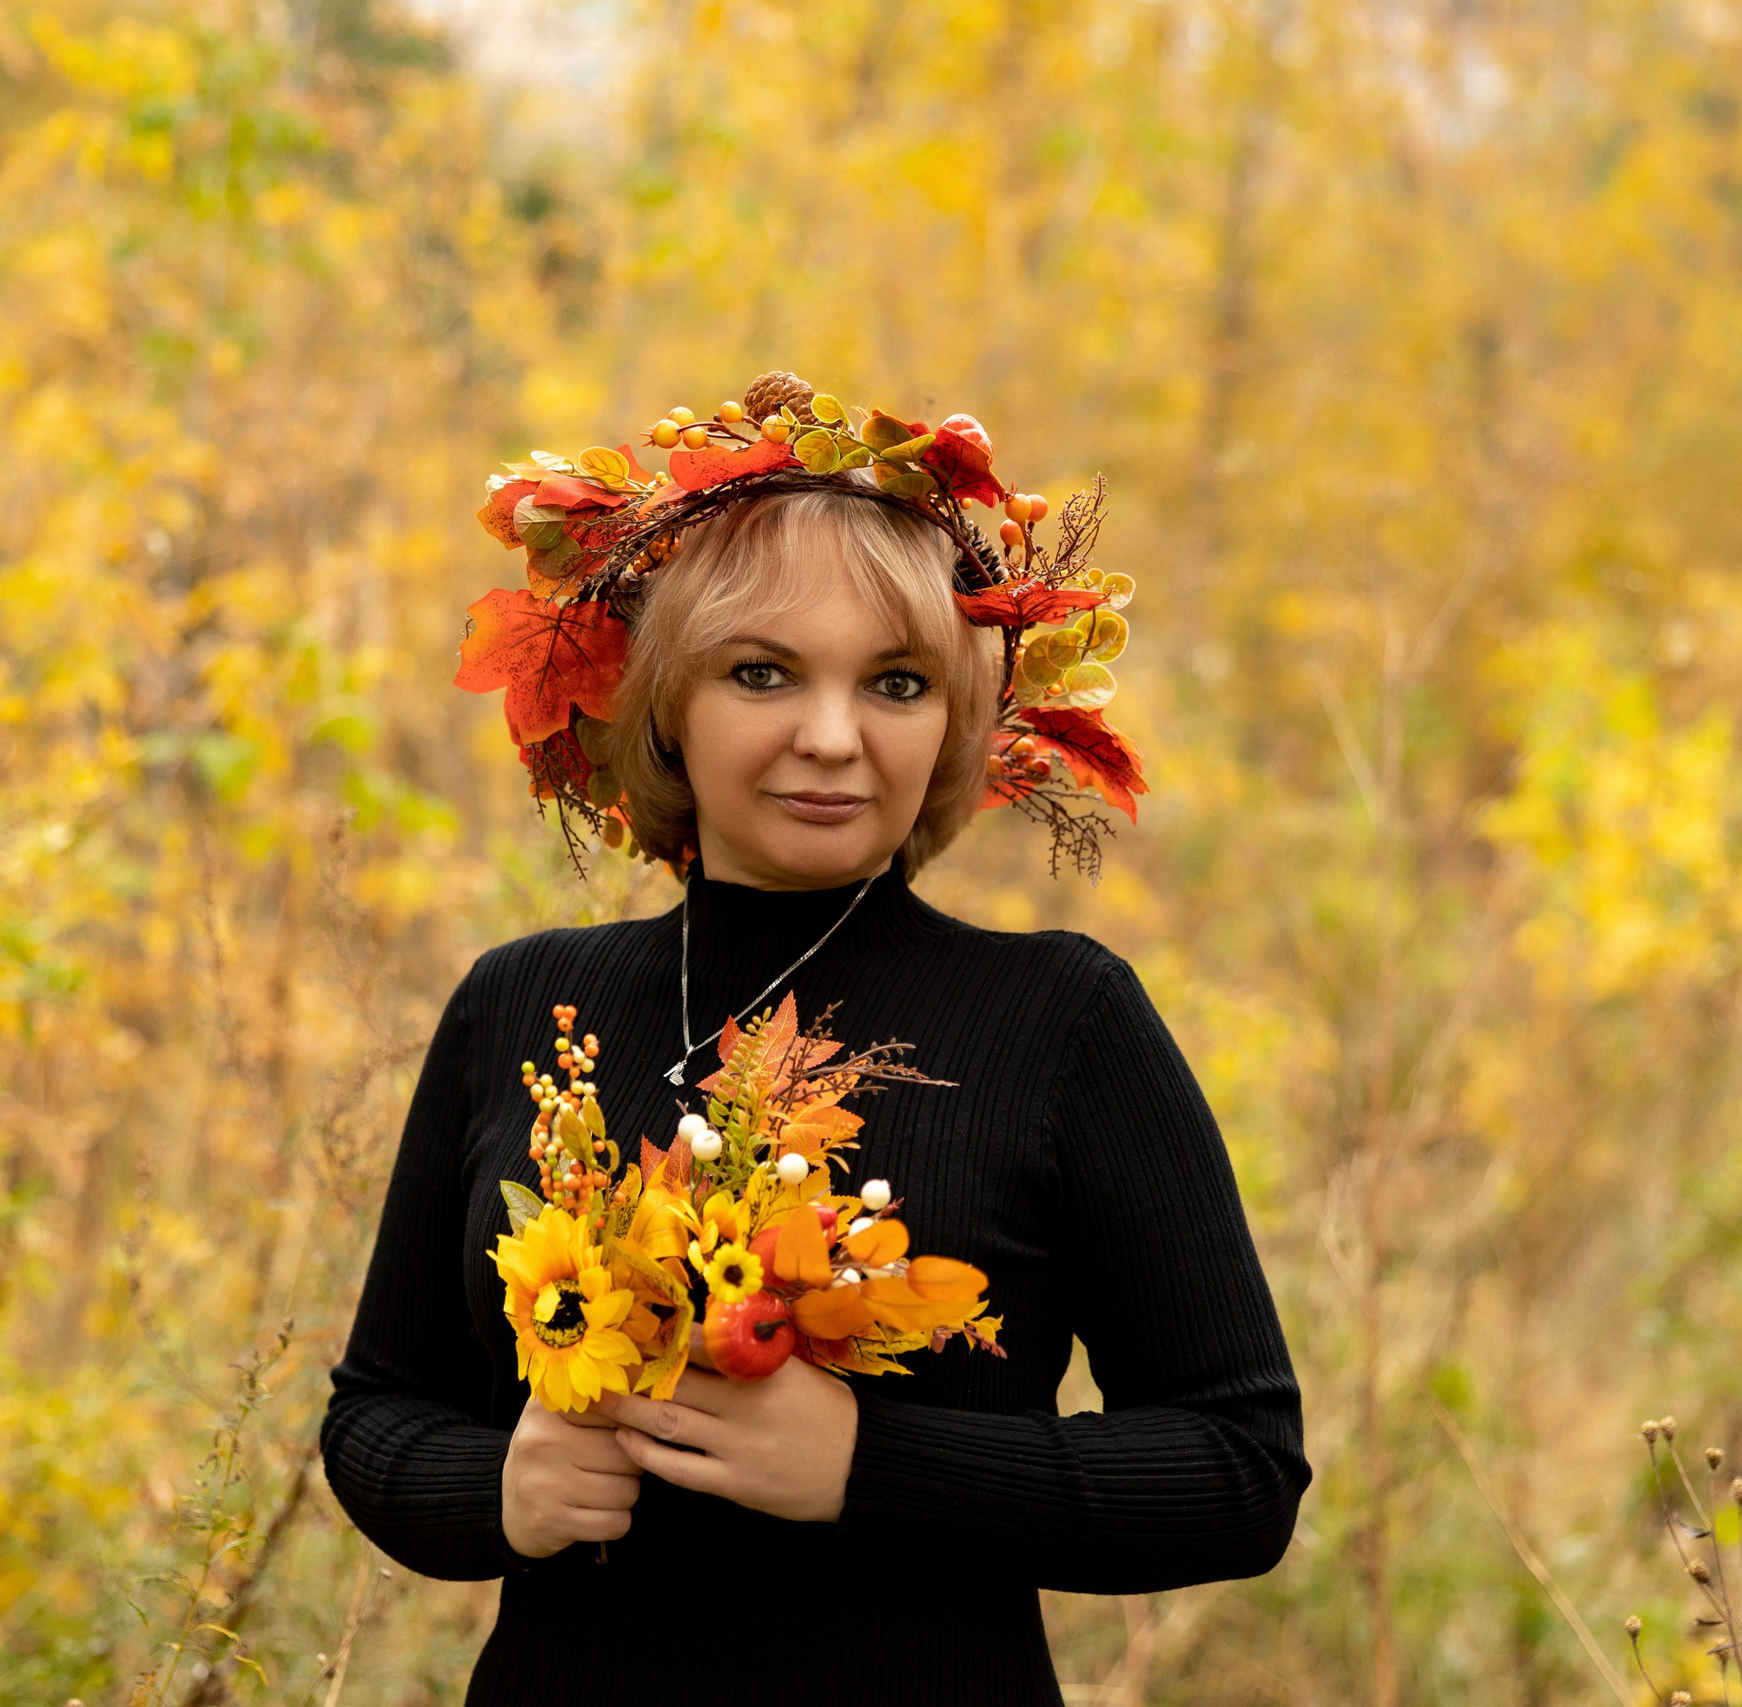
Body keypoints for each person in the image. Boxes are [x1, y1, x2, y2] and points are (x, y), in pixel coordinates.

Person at [322, 374, 1307, 1706]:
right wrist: (497, 1488)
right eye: (762, 673)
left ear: (952, 712)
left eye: (895, 683)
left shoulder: (1060, 1020)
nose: (833, 739)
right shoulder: (521, 1004)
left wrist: (864, 1463)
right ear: (665, 700)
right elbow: (378, 1411)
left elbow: (1237, 1472)